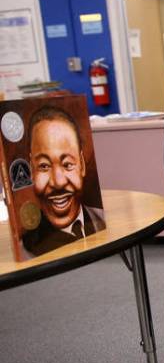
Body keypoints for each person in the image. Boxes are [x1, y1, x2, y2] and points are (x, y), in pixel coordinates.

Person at [21, 106, 105, 256]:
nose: (58, 182)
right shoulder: (25, 248)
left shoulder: (101, 220)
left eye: (67, 164)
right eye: (44, 166)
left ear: (82, 166)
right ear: (31, 171)